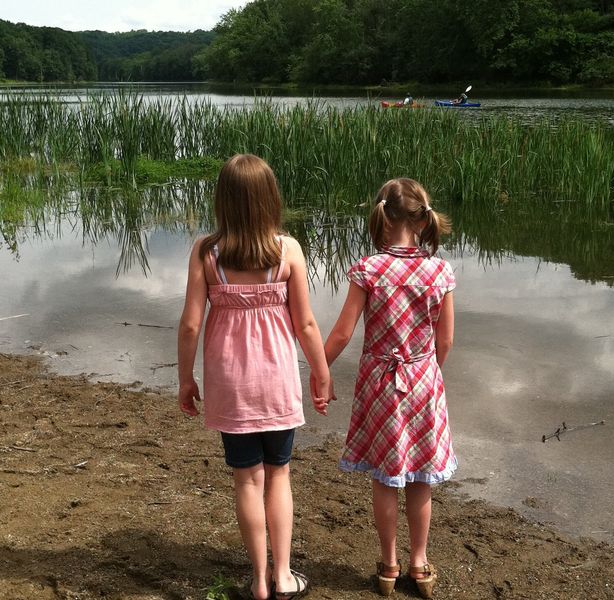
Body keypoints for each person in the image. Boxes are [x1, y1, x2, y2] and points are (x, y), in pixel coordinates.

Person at [178, 154, 332, 600]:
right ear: (271, 200)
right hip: (276, 381)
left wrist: (186, 379)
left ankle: (259, 580)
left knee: (246, 479)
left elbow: (190, 324)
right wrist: (321, 374)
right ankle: (284, 576)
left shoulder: (207, 253)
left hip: (230, 385)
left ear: (222, 201)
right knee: (279, 474)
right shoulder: (288, 251)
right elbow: (305, 325)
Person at [319, 178, 456, 599]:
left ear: (382, 215)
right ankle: (419, 564)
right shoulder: (439, 270)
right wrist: (428, 372)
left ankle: (388, 567)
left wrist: (318, 370)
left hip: (380, 383)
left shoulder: (369, 268)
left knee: (385, 478)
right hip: (423, 378)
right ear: (422, 218)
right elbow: (445, 340)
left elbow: (343, 333)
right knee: (420, 480)